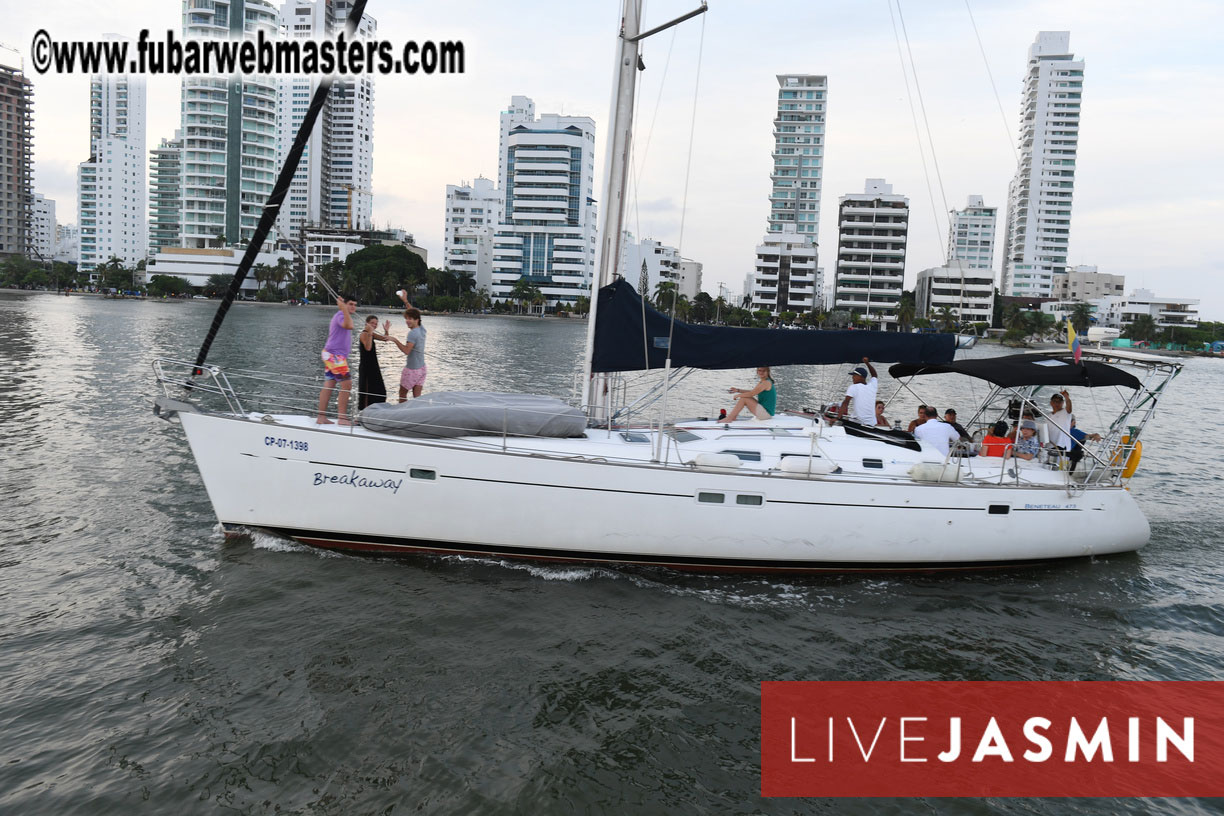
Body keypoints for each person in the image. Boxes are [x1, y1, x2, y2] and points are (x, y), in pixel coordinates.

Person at [316, 293, 358, 425]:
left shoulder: (342, 314)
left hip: (332, 355)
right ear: (344, 304)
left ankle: (321, 417)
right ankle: (342, 418)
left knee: (329, 384)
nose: (353, 307)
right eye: (350, 304)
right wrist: (343, 309)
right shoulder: (341, 315)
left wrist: (345, 308)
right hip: (334, 356)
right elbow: (349, 325)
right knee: (347, 384)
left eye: (355, 305)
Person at [390, 304, 428, 401]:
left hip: (412, 370)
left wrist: (395, 340)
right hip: (422, 369)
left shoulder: (412, 333)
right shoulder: (422, 330)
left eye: (410, 318)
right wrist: (405, 300)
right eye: (406, 318)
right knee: (417, 397)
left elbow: (406, 351)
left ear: (417, 320)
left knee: (402, 394)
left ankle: (402, 415)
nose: (407, 321)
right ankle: (416, 414)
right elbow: (415, 312)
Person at [357, 315, 392, 410]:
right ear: (366, 323)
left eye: (376, 324)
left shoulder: (371, 334)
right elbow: (368, 348)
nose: (374, 325)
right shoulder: (364, 334)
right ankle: (363, 413)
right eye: (372, 323)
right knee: (367, 392)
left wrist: (386, 330)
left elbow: (385, 339)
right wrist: (370, 332)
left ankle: (375, 411)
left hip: (374, 367)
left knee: (380, 391)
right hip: (367, 368)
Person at [836, 357, 878, 425]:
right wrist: (867, 363)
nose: (852, 377)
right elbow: (874, 375)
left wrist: (837, 418)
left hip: (857, 423)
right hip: (872, 424)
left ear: (861, 377)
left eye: (854, 375)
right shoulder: (872, 386)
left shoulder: (854, 387)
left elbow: (846, 403)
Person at [1047, 389, 1075, 453]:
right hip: (1050, 446)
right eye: (1054, 401)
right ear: (1051, 403)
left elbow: (1069, 408)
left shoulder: (1066, 412)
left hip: (1062, 446)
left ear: (1062, 403)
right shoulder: (1048, 415)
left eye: (1059, 402)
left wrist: (1066, 397)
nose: (1057, 403)